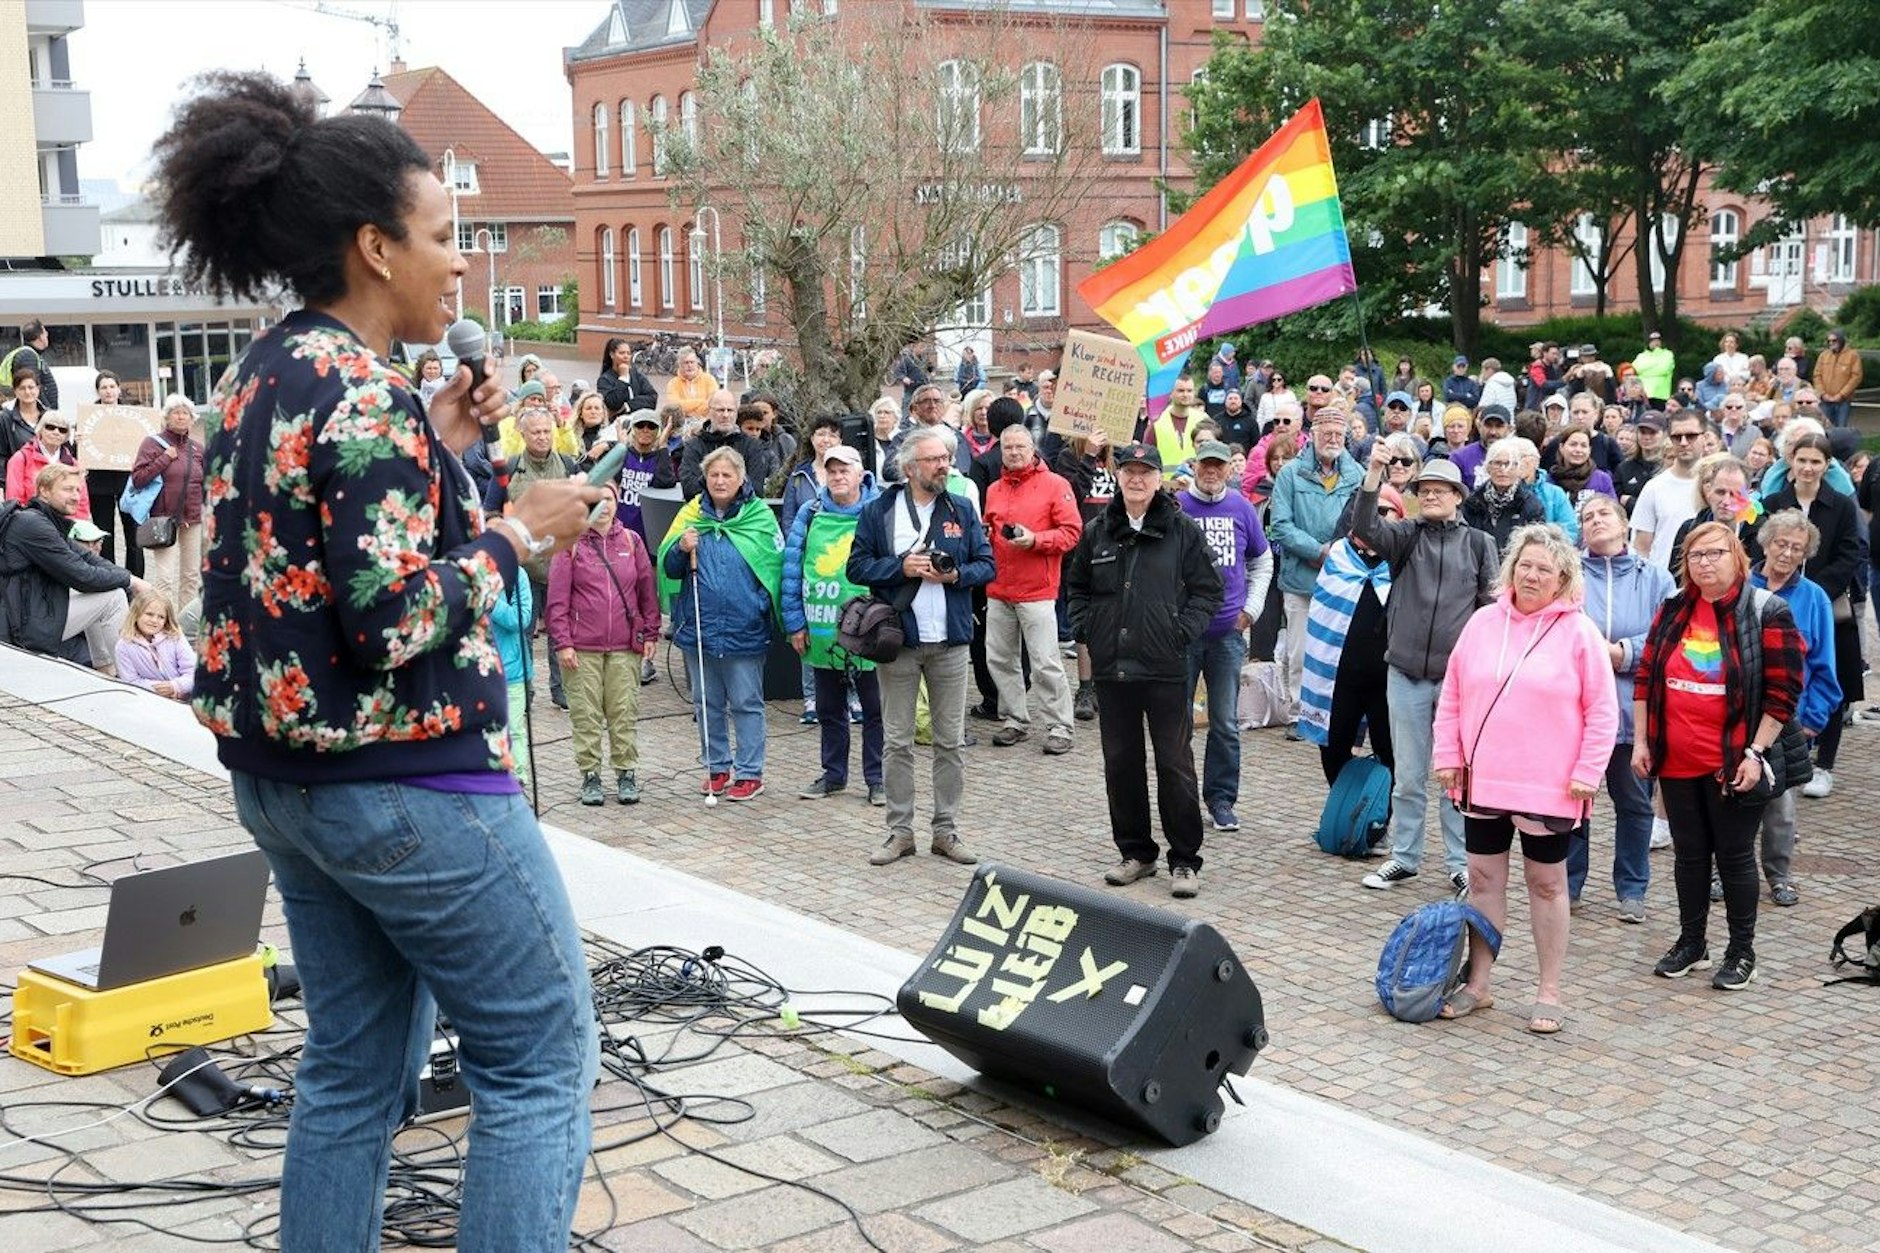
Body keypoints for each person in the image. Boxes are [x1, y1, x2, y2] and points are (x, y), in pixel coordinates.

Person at [149, 70, 603, 1251]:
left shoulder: (265, 374)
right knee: (539, 1056)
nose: (461, 265)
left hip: (285, 785)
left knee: (351, 1068)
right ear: (374, 246)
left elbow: (328, 548)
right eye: (445, 237)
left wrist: (446, 444)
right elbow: (392, 620)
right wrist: (516, 529)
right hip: (406, 783)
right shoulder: (365, 396)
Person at [1432, 525, 1617, 1032]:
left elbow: (1603, 712)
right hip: (1482, 779)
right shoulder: (1482, 624)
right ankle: (1479, 985)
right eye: (1524, 566)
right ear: (1510, 570)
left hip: (1552, 786)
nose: (1532, 576)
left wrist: (1587, 771)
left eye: (1544, 569)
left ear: (1562, 579)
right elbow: (1452, 696)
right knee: (1485, 881)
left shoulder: (1581, 635)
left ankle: (1549, 989)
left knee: (1547, 885)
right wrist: (1448, 753)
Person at [1634, 521, 1804, 992]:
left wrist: (1756, 752)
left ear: (1737, 557)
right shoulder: (1673, 608)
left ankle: (1740, 950)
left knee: (1733, 858)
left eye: (1714, 553)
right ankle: (1693, 942)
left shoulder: (1766, 611)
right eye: (1695, 555)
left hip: (1733, 760)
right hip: (1675, 757)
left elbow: (1782, 694)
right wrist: (1644, 742)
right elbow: (1647, 675)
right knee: (1689, 857)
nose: (1704, 563)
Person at [1066, 442, 1223, 898]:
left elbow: (1207, 591)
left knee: (1175, 765)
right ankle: (1136, 852)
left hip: (1166, 668)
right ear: (1118, 476)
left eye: (1145, 472)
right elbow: (1076, 587)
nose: (1136, 479)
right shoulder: (1098, 531)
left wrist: (1180, 632)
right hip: (1113, 668)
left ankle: (1185, 860)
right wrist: (1087, 627)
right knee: (1121, 763)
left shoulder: (1181, 530)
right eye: (1129, 471)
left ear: (1160, 480)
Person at [1350, 453, 1499, 898]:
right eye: (1424, 490)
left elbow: (1490, 607)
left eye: (1441, 490)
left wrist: (1484, 668)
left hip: (1459, 682)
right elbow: (1364, 529)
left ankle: (1459, 864)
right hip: (1407, 672)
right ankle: (1405, 857)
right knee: (1410, 773)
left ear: (1458, 497)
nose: (1431, 496)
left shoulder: (1479, 543)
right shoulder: (1405, 536)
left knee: (1454, 776)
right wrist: (1374, 475)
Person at [848, 427, 995, 866]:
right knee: (897, 741)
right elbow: (856, 566)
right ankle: (899, 832)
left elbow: (987, 564)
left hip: (950, 640)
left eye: (946, 458)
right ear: (910, 467)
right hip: (900, 641)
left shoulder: (963, 508)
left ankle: (946, 831)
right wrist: (901, 567)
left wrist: (955, 576)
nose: (943, 465)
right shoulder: (880, 511)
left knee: (950, 742)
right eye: (933, 459)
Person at [1569, 496, 1676, 921]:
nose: (1596, 522)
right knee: (1574, 804)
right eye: (1588, 518)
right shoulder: (1570, 575)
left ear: (1624, 523)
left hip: (1634, 714)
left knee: (1634, 804)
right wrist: (1594, 656)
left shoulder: (1655, 578)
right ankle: (1569, 884)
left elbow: (1667, 638)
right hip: (1577, 715)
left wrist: (1621, 653)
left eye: (1604, 514)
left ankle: (1632, 890)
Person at [657, 447, 782, 801]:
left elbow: (773, 565)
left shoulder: (758, 517)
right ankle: (716, 766)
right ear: (705, 479)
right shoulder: (691, 515)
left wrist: (757, 604)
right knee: (706, 702)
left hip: (745, 628)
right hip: (700, 627)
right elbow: (669, 568)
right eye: (714, 475)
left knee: (746, 702)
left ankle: (750, 772)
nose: (721, 481)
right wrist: (680, 548)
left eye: (728, 475)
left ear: (741, 478)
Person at [1746, 509, 1840, 908]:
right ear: (1765, 543)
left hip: (1787, 717)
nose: (1786, 553)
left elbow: (1825, 667)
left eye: (1796, 548)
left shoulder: (1814, 598)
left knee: (1781, 806)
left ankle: (1779, 876)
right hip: (1739, 712)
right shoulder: (1740, 585)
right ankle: (1722, 870)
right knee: (1728, 796)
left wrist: (1811, 721)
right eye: (1780, 544)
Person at [1759, 432, 1861, 800]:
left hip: (1824, 601)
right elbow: (1759, 543)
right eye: (1802, 459)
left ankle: (1824, 763)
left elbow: (1851, 553)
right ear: (1791, 461)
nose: (1808, 467)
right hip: (1775, 592)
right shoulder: (1773, 501)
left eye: (1816, 461)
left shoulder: (1842, 505)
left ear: (1826, 466)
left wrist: (1811, 591)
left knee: (1827, 672)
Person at [1177, 439, 1272, 831]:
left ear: (1229, 470)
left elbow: (1262, 561)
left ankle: (1220, 800)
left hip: (1227, 636)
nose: (1212, 471)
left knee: (1225, 724)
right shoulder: (1178, 507)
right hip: (1182, 635)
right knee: (1176, 722)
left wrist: (1250, 611)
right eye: (1205, 465)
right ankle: (1179, 799)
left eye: (1218, 465)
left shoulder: (1241, 508)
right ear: (1195, 467)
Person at [784, 443, 885, 805]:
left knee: (875, 709)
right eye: (832, 470)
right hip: (822, 628)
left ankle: (877, 779)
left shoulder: (880, 511)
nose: (839, 476)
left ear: (861, 473)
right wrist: (795, 622)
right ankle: (833, 775)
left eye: (846, 470)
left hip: (869, 631)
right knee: (829, 709)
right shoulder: (809, 514)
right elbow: (792, 569)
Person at [550, 489, 660, 807]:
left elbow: (645, 593)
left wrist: (650, 633)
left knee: (623, 711)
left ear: (617, 502)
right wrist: (563, 643)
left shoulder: (631, 541)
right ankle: (590, 775)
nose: (603, 506)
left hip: (624, 646)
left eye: (609, 498)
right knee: (586, 715)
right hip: (581, 647)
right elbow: (557, 601)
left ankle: (626, 772)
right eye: (596, 500)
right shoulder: (570, 544)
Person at [983, 424, 1082, 756]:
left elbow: (1071, 533)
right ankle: (1014, 718)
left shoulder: (1056, 485)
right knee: (1000, 658)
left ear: (1033, 448)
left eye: (1020, 447)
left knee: (1045, 661)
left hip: (1037, 589)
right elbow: (989, 528)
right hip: (999, 588)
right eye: (1008, 447)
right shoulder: (994, 489)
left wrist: (1035, 540)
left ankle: (1059, 725)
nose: (1013, 452)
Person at [1299, 484, 1399, 784]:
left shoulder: (1403, 558)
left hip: (1388, 678)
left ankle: (1379, 815)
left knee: (1390, 751)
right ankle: (1342, 811)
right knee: (1333, 747)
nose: (1375, 519)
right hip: (1339, 675)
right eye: (1369, 512)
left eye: (1384, 512)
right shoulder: (1338, 555)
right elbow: (1323, 610)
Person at [1266, 407, 1364, 709]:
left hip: (1343, 578)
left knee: (1340, 649)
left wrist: (1335, 551)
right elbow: (1280, 525)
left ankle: (1335, 711)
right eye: (1327, 433)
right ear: (1313, 435)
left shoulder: (1358, 474)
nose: (1333, 439)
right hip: (1300, 578)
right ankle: (1298, 710)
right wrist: (1316, 551)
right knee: (1299, 652)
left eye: (1339, 434)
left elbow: (1363, 523)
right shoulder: (1290, 474)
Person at [0, 464, 142, 668]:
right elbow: (82, 575)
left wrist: (134, 580)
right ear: (44, 491)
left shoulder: (46, 521)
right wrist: (129, 581)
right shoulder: (32, 524)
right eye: (67, 489)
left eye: (78, 490)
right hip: (21, 625)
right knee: (113, 597)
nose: (76, 496)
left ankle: (106, 671)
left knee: (106, 591)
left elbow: (89, 558)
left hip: (32, 611)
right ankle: (131, 676)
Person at [486, 408, 578, 709]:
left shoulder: (568, 464)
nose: (542, 436)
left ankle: (560, 689)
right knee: (522, 633)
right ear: (522, 434)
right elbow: (490, 513)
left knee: (559, 631)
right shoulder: (508, 468)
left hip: (561, 565)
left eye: (546, 430)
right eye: (535, 431)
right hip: (521, 569)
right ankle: (523, 689)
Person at [127, 394, 206, 612]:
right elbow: (138, 478)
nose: (181, 417)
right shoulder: (152, 443)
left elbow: (207, 481)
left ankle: (184, 625)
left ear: (192, 419)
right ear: (166, 418)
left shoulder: (197, 448)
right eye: (176, 413)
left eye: (186, 413)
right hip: (163, 518)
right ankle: (162, 621)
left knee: (190, 576)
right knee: (165, 578)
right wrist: (164, 459)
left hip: (193, 518)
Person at [1630, 409, 1706, 568]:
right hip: (1664, 584)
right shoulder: (1654, 487)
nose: (1684, 442)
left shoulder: (1718, 485)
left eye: (1691, 436)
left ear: (1704, 438)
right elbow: (1641, 547)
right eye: (1677, 437)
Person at [678, 389, 772, 499]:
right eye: (720, 410)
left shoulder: (752, 446)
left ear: (736, 413)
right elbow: (689, 489)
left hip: (742, 513)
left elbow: (756, 489)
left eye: (730, 410)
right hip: (702, 513)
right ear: (709, 412)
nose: (726, 415)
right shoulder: (693, 446)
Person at [1461, 437, 1545, 551]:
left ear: (1518, 468)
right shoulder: (1472, 502)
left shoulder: (1531, 505)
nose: (1503, 469)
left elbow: (1535, 546)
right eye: (1497, 463)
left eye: (1509, 464)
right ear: (1488, 467)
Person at [115, 588, 196, 701]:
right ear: (136, 614)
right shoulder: (124, 645)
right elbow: (130, 681)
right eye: (149, 614)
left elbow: (194, 672)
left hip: (186, 697)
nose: (154, 620)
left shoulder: (175, 637)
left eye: (161, 617)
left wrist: (175, 686)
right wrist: (158, 689)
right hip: (149, 698)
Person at [5, 408, 88, 516]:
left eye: (62, 430)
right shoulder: (20, 459)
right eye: (50, 427)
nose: (56, 432)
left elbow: (82, 502)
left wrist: (78, 526)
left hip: (65, 525)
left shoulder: (73, 464)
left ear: (66, 436)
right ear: (40, 429)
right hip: (31, 523)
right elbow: (13, 499)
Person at [5, 320, 62, 414]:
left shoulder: (32, 354)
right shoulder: (28, 356)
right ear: (40, 337)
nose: (47, 334)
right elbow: (32, 387)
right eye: (44, 332)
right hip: (40, 415)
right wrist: (47, 412)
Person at [0, 364, 50, 465]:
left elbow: (63, 452)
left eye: (31, 387)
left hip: (47, 477)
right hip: (17, 476)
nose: (27, 392)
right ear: (15, 391)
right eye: (22, 388)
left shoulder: (49, 416)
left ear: (38, 389)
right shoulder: (5, 419)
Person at [597, 336, 658, 417]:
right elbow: (613, 404)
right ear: (612, 355)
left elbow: (652, 398)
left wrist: (628, 406)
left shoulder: (637, 375)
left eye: (628, 353)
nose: (626, 356)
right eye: (621, 353)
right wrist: (623, 378)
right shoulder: (605, 379)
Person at [665, 347, 719, 421]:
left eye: (692, 362)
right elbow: (674, 407)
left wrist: (689, 412)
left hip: (706, 422)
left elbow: (713, 403)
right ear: (680, 365)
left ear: (697, 363)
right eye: (686, 363)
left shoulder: (709, 379)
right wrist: (701, 402)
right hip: (682, 423)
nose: (689, 365)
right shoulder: (673, 383)